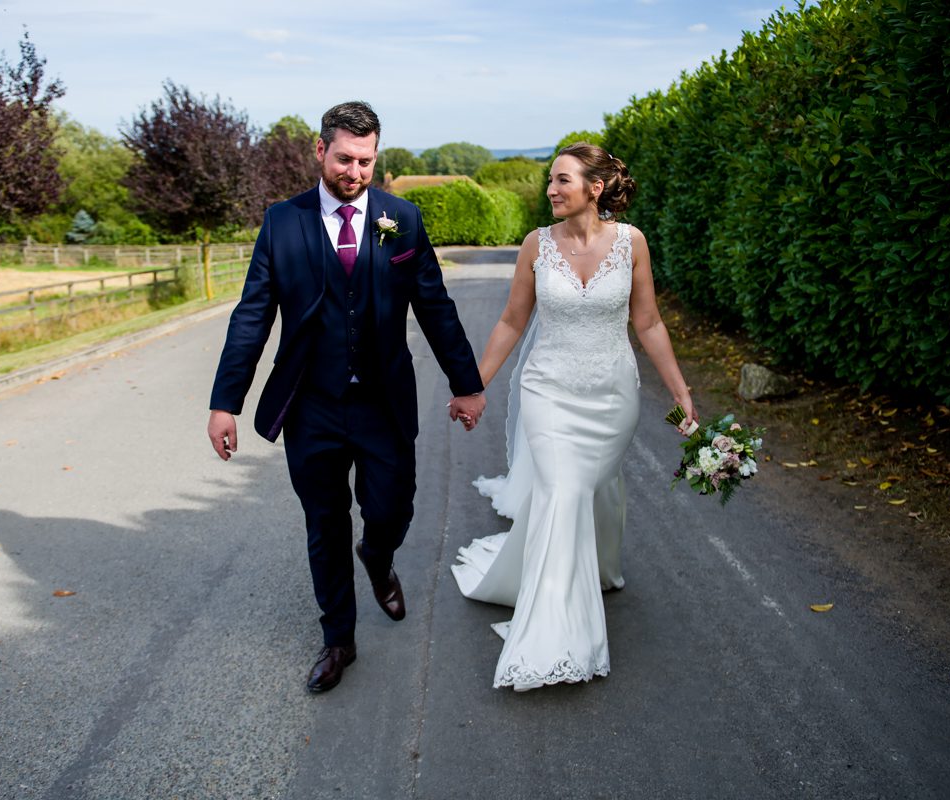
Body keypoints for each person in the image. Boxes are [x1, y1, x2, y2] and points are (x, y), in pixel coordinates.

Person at [208, 101, 486, 693]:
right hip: (311, 405)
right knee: (324, 522)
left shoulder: (402, 219)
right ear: (320, 150)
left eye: (366, 161)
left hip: (384, 402)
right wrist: (224, 401)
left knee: (391, 509)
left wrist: (467, 385)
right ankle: (339, 639)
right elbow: (252, 315)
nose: (354, 172)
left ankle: (379, 556)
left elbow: (435, 308)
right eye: (344, 159)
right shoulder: (282, 221)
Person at [451, 142, 698, 692]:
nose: (551, 190)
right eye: (549, 181)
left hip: (612, 397)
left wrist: (680, 391)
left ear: (596, 186)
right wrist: (474, 387)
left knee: (590, 490)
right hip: (549, 392)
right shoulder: (535, 246)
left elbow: (649, 322)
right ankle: (555, 639)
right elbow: (513, 322)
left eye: (562, 180)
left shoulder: (632, 242)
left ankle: (599, 568)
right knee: (562, 491)